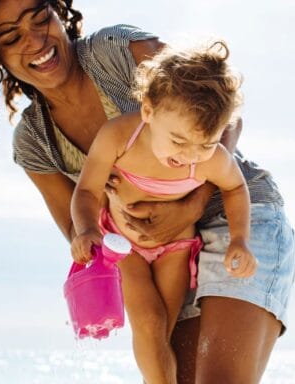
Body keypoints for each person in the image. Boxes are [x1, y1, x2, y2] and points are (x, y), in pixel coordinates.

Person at [0, 1, 295, 382]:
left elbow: (224, 114)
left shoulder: (115, 51)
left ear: (58, 12)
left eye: (40, 18)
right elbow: (77, 228)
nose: (35, 40)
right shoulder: (35, 141)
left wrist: (190, 204)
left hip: (238, 219)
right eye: (11, 38)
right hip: (162, 257)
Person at [70, 41, 257, 382]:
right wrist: (85, 229)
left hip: (176, 248)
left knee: (162, 334)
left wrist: (241, 240)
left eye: (205, 144)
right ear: (149, 111)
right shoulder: (119, 137)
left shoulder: (212, 159)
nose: (188, 155)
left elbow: (235, 187)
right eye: (179, 141)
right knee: (149, 324)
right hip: (124, 245)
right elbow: (86, 189)